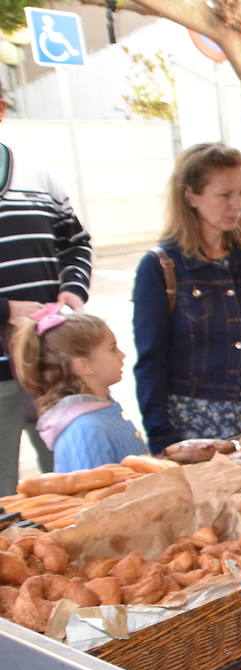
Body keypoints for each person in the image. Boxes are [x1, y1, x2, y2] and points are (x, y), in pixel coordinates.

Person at [132, 143, 241, 454]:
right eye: (224, 195)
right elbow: (151, 360)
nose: (236, 204)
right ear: (191, 196)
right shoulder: (161, 267)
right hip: (195, 421)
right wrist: (160, 436)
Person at [0, 84, 90, 494]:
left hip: (52, 366)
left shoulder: (40, 179)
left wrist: (73, 290)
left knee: (68, 484)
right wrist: (6, 312)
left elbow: (76, 242)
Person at [12, 307, 147, 473]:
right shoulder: (87, 429)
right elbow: (93, 494)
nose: (122, 355)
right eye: (112, 348)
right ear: (83, 365)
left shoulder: (100, 414)